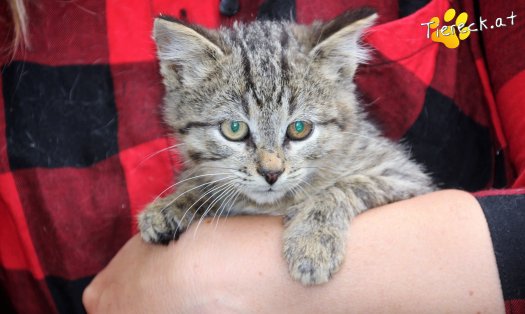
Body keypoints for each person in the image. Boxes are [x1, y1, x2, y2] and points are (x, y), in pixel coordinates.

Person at [1, 0, 524, 313]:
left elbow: (406, 186)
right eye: (236, 129)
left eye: (298, 129)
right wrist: (188, 201)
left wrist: (329, 206)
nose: (271, 164)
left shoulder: (349, 155)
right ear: (179, 76)